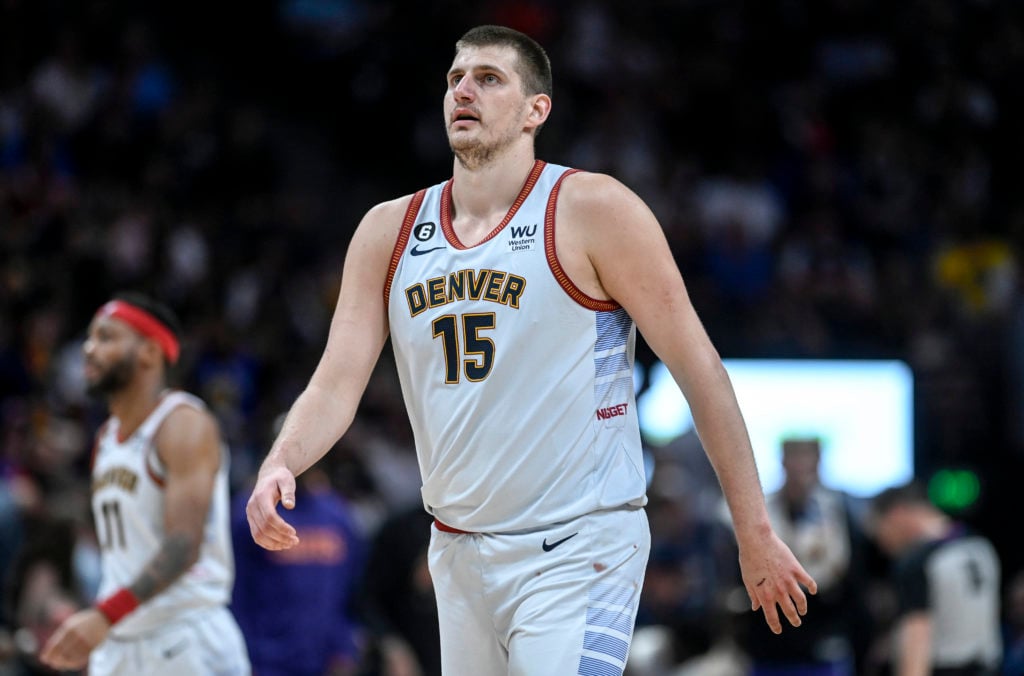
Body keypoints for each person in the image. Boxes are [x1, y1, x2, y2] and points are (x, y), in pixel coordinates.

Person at [246, 24, 816, 675]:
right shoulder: (388, 230)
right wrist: (280, 462)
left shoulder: (593, 209)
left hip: (581, 543)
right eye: (456, 79)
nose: (464, 90)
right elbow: (335, 382)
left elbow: (699, 369)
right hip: (458, 551)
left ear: (534, 110)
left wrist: (755, 529)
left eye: (489, 78)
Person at [39, 293, 250, 675]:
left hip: (185, 637)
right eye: (89, 338)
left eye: (106, 338)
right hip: (121, 639)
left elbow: (183, 545)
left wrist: (103, 615)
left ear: (150, 352)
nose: (89, 349)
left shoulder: (183, 423)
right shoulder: (105, 439)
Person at [741, 437, 872, 676]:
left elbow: (852, 572)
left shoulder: (840, 508)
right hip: (770, 634)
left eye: (807, 458)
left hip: (825, 626)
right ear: (782, 461)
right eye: (794, 458)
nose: (800, 466)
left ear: (818, 462)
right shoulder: (760, 509)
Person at [231, 459, 366, 676]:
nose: (297, 463)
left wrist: (344, 647)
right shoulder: (251, 512)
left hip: (326, 661)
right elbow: (236, 592)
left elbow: (352, 591)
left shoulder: (337, 515)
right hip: (266, 661)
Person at [871, 480, 1002, 676]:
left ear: (896, 515)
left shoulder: (916, 563)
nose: (881, 545)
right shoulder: (981, 546)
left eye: (880, 531)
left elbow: (917, 644)